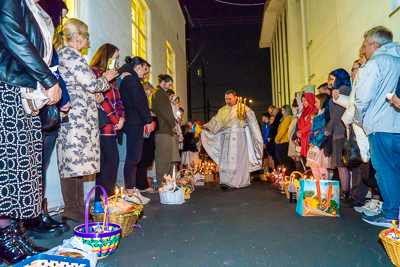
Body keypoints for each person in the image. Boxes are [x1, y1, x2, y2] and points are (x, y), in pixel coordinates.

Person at [0, 0, 62, 263]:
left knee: (20, 171)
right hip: (8, 87)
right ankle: (4, 238)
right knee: (8, 172)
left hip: (23, 91)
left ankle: (13, 233)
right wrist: (48, 80)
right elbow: (12, 34)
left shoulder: (33, 8)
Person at [56, 18, 119, 222]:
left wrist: (95, 93)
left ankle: (76, 206)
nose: (88, 40)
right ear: (76, 36)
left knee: (78, 163)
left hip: (81, 117)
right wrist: (105, 79)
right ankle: (71, 207)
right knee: (72, 162)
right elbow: (90, 83)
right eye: (86, 36)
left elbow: (85, 87)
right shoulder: (69, 54)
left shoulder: (72, 55)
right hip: (76, 119)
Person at [353, 26, 400, 227]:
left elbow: (362, 97)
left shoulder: (376, 63)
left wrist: (360, 119)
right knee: (397, 170)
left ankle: (390, 215)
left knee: (384, 171)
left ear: (375, 44)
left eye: (365, 46)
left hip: (380, 125)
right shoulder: (398, 61)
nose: (363, 51)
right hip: (397, 125)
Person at [201, 90, 263, 189]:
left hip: (238, 137)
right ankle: (225, 181)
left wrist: (245, 117)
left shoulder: (243, 107)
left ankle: (238, 181)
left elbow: (251, 118)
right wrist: (207, 127)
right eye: (226, 99)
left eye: (229, 98)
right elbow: (215, 121)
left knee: (238, 159)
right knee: (225, 160)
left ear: (235, 98)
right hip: (225, 138)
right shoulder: (222, 111)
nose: (228, 101)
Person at [89, 43, 125, 202]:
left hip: (112, 127)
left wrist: (122, 118)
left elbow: (118, 102)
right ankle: (107, 199)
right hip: (102, 126)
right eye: (115, 58)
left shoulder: (113, 79)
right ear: (107, 57)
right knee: (110, 160)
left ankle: (100, 202)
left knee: (106, 162)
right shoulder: (96, 73)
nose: (117, 62)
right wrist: (116, 119)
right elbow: (103, 101)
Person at [332, 58, 370, 207]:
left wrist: (346, 118)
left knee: (366, 168)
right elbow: (351, 103)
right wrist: (339, 98)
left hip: (363, 130)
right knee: (358, 167)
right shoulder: (356, 85)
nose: (352, 73)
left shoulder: (363, 83)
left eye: (354, 69)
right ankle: (356, 196)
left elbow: (355, 106)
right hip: (355, 132)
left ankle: (364, 198)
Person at [118, 56, 153, 197]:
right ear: (138, 67)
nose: (145, 73)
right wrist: (148, 120)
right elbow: (138, 102)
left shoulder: (129, 79)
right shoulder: (131, 80)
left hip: (133, 122)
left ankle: (131, 190)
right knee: (133, 159)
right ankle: (130, 191)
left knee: (134, 158)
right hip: (134, 123)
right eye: (145, 69)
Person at [325, 68, 352, 200]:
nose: (329, 82)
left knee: (342, 164)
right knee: (340, 164)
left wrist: (329, 128)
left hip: (341, 131)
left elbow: (338, 113)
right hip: (337, 132)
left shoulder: (344, 89)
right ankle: (344, 191)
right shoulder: (337, 91)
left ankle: (345, 192)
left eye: (331, 78)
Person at [151, 74, 177, 186]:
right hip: (163, 130)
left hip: (164, 129)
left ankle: (163, 182)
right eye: (169, 84)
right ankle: (161, 183)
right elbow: (166, 111)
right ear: (163, 82)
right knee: (163, 158)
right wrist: (173, 123)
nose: (170, 87)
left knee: (166, 158)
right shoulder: (159, 94)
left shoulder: (160, 94)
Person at [137, 82, 159, 193]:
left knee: (145, 162)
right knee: (142, 161)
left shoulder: (148, 106)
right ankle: (142, 185)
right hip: (144, 136)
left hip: (149, 136)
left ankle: (143, 184)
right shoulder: (142, 105)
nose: (150, 95)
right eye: (150, 91)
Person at [306, 93, 331, 180]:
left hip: (321, 145)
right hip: (314, 145)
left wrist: (315, 140)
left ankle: (324, 187)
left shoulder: (325, 115)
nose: (315, 104)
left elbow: (323, 130)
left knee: (321, 166)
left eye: (316, 102)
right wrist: (310, 142)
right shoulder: (318, 115)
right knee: (314, 166)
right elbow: (313, 131)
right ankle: (318, 186)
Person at [297, 93, 317, 165]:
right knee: (306, 160)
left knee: (312, 162)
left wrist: (301, 132)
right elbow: (300, 123)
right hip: (304, 137)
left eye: (305, 100)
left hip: (310, 137)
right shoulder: (305, 111)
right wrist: (299, 132)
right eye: (302, 101)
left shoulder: (314, 110)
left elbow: (311, 124)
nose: (303, 103)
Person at [275, 105, 295, 174]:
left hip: (285, 141)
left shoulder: (288, 118)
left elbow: (283, 129)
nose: (282, 112)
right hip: (283, 141)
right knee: (284, 159)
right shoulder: (284, 118)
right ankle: (286, 173)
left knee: (286, 160)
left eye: (284, 110)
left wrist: (277, 138)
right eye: (282, 111)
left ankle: (288, 174)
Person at [288, 97, 302, 172]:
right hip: (295, 140)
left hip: (299, 140)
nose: (296, 108)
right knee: (297, 158)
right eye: (294, 107)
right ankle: (300, 175)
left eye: (297, 106)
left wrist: (293, 137)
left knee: (299, 158)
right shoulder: (296, 117)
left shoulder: (299, 117)